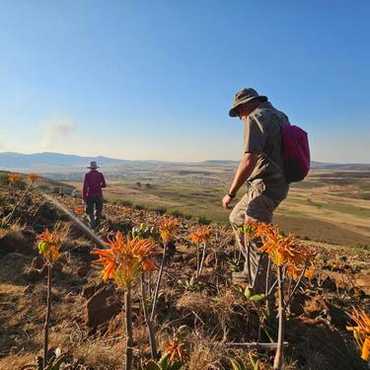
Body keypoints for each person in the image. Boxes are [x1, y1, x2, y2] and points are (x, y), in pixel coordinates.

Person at [222, 88, 290, 293]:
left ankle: (259, 288)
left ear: (246, 105)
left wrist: (231, 192)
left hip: (265, 185)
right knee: (237, 217)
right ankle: (249, 270)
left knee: (256, 234)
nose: (240, 118)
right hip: (278, 183)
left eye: (239, 112)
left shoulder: (255, 117)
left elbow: (249, 158)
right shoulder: (281, 116)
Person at [83, 161, 106, 228]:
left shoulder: (87, 175)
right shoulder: (100, 174)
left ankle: (92, 224)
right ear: (96, 168)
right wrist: (98, 186)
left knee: (90, 211)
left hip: (90, 195)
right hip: (99, 194)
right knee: (98, 210)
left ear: (90, 168)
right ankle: (97, 224)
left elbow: (85, 187)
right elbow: (104, 185)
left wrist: (84, 197)